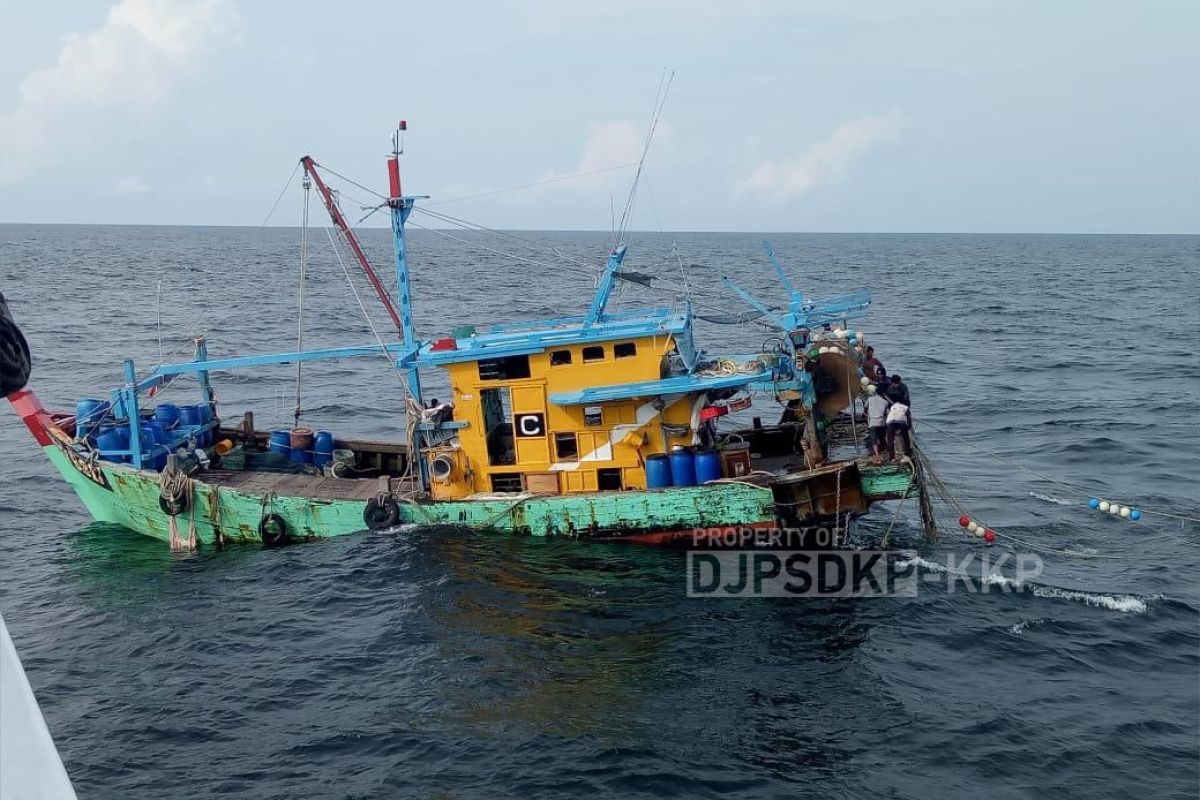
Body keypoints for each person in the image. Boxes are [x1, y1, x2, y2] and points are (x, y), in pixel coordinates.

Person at [865, 389, 890, 465]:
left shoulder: (870, 399)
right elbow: (887, 414)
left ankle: (878, 457)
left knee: (874, 440)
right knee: (882, 438)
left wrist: (867, 414)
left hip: (872, 423)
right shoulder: (886, 402)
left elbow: (865, 408)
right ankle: (887, 452)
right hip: (882, 423)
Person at [885, 395, 912, 462]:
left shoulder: (893, 406)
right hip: (901, 421)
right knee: (906, 439)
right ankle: (907, 454)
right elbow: (909, 420)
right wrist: (908, 427)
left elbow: (888, 415)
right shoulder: (906, 407)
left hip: (890, 422)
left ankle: (892, 458)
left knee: (890, 440)